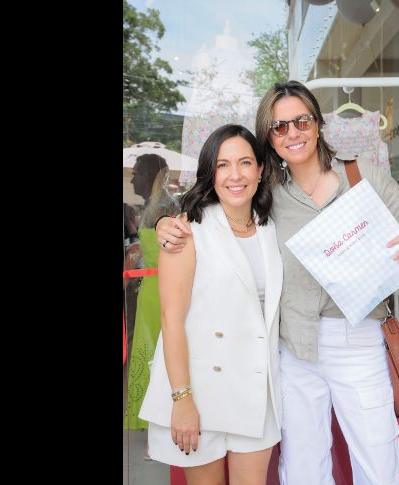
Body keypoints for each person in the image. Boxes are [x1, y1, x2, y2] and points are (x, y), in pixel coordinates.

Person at [157, 81, 399, 484]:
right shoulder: (267, 192)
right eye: (279, 126)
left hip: (357, 337)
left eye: (301, 121)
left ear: (318, 123)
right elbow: (217, 206)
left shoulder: (361, 175)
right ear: (269, 138)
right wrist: (167, 223)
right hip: (292, 345)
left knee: (379, 459)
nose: (292, 133)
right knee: (304, 466)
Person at [138, 124, 283, 485]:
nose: (235, 175)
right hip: (200, 388)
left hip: (255, 387)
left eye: (245, 162)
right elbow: (172, 320)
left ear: (260, 169)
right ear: (210, 173)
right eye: (223, 165)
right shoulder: (188, 230)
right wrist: (182, 399)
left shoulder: (272, 226)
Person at [124, 153, 180, 430]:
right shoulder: (154, 206)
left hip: (162, 290)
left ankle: (160, 418)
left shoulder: (164, 208)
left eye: (136, 173)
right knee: (150, 352)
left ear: (150, 176)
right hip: (151, 289)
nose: (132, 179)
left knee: (158, 354)